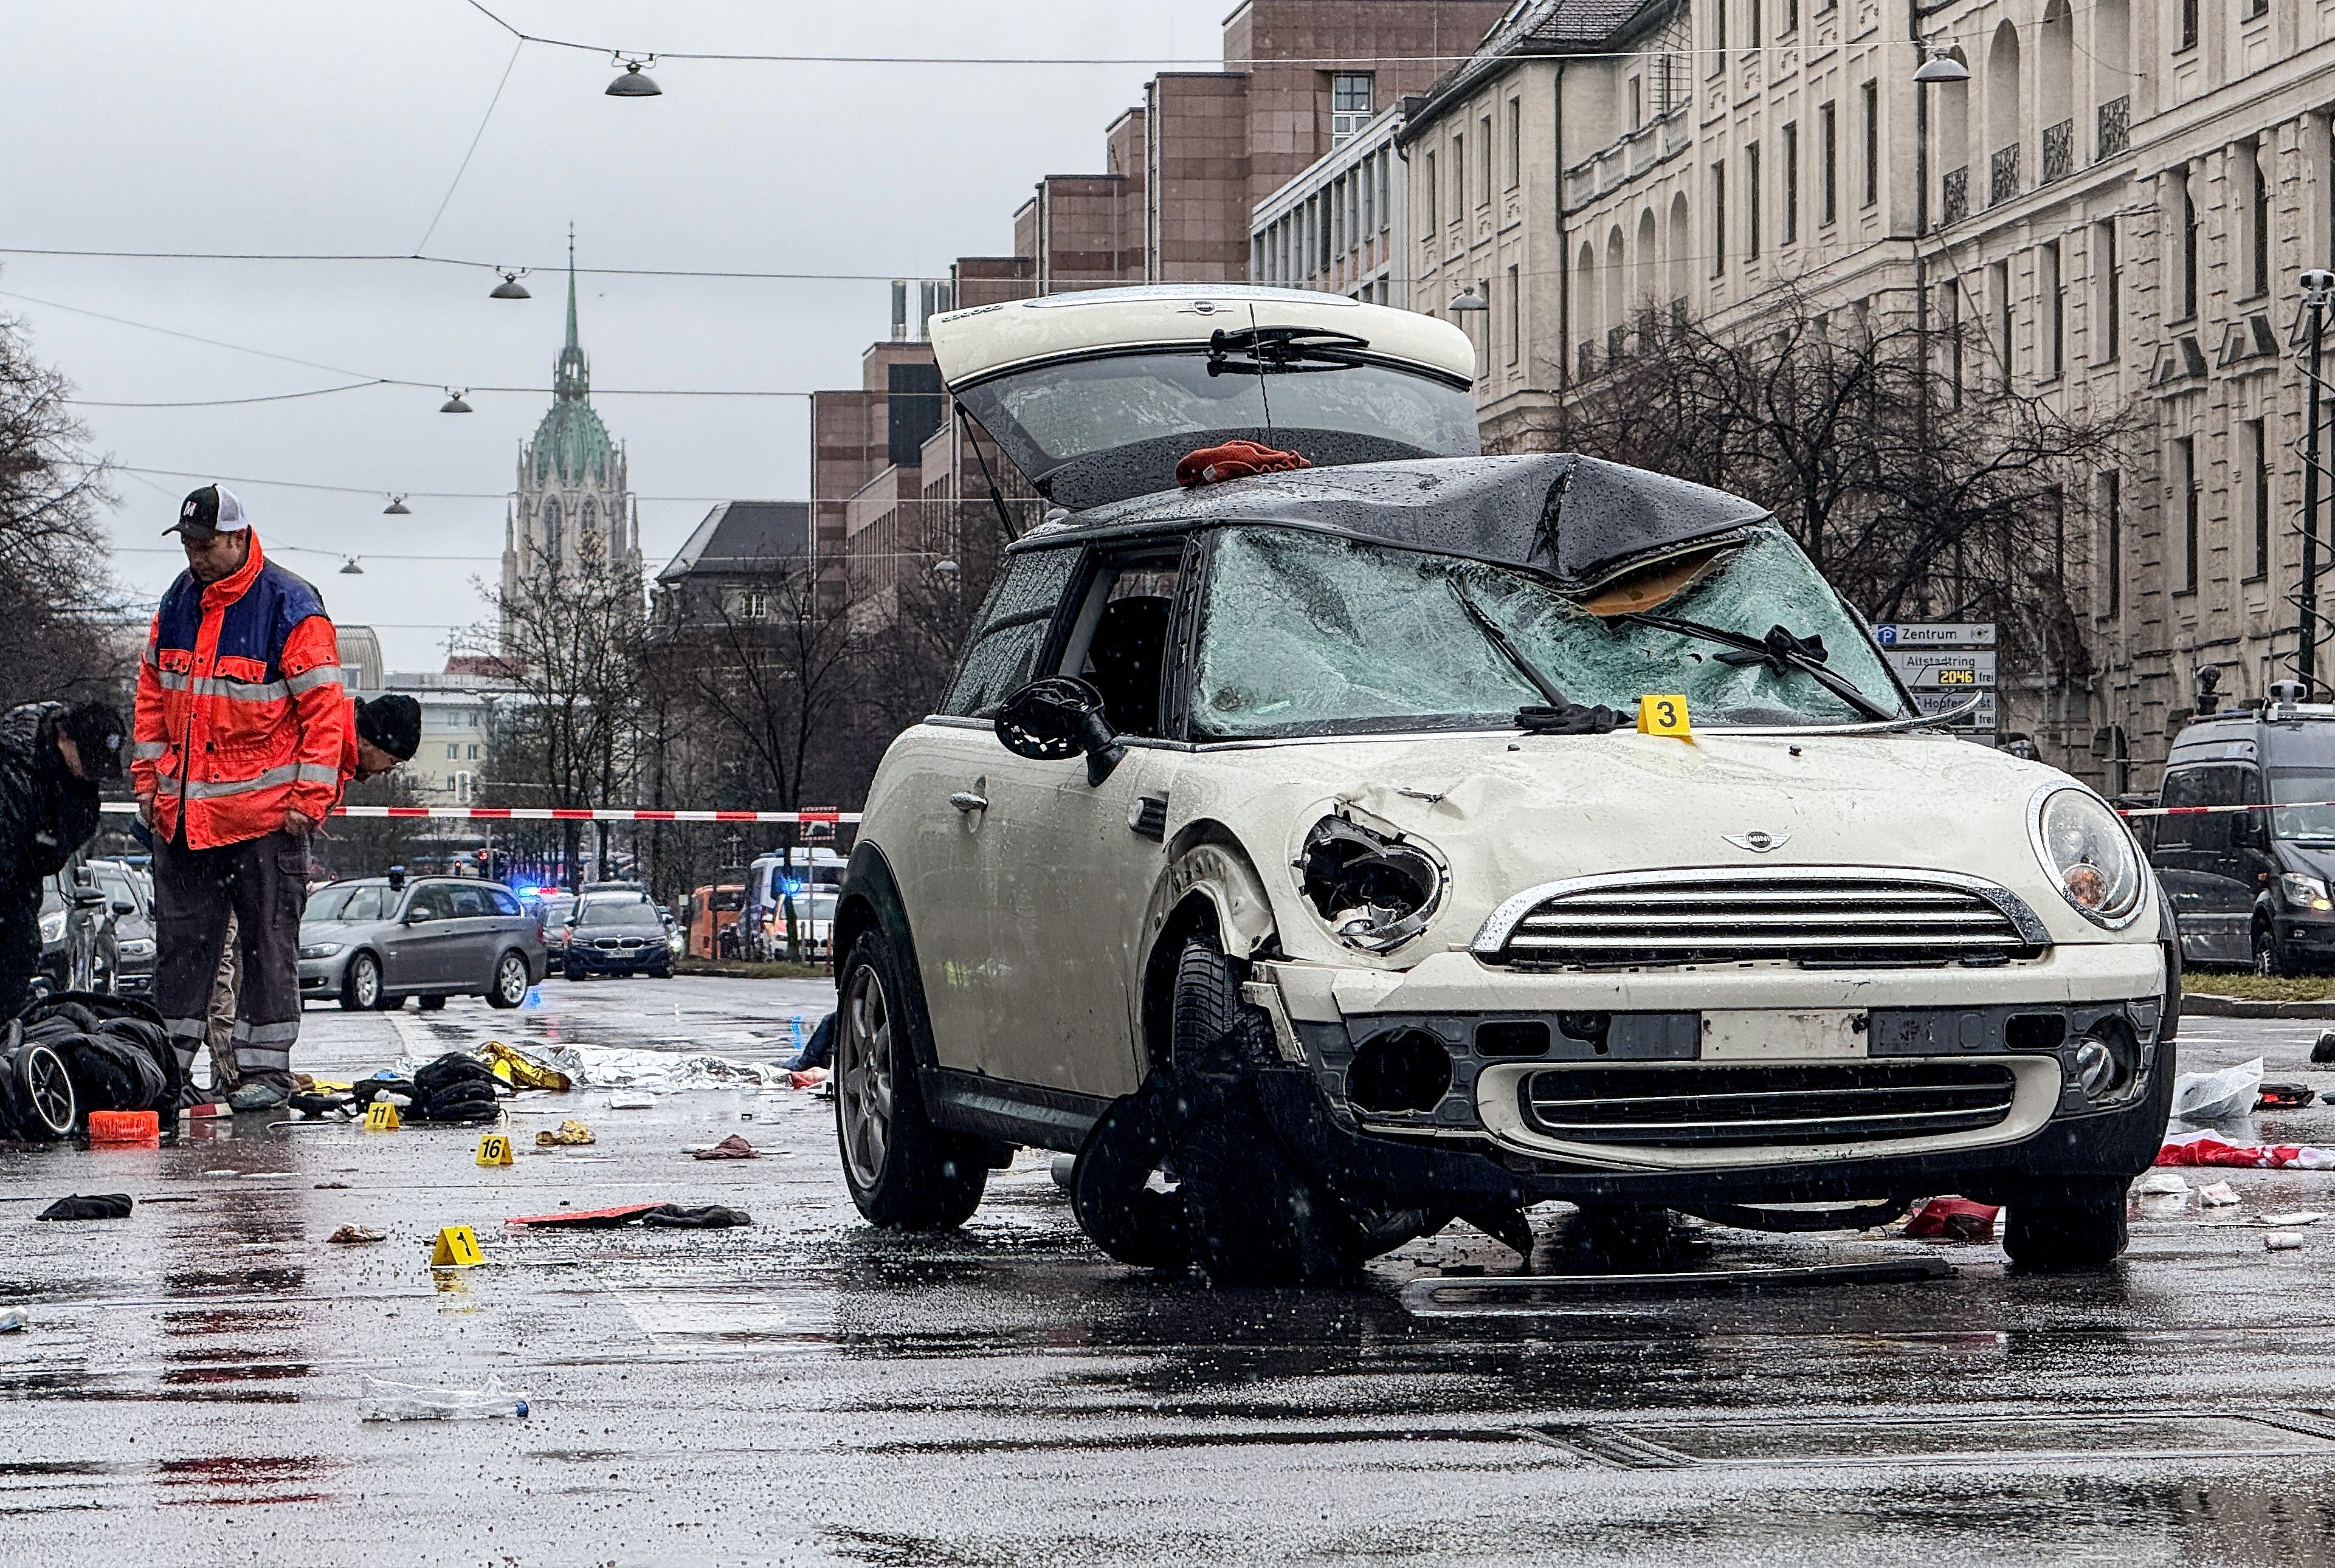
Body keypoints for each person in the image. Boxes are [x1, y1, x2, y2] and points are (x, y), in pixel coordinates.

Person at [133, 484, 350, 1112]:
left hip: (263, 822)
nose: (196, 556)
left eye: (204, 545)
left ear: (236, 538)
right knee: (183, 951)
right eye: (190, 545)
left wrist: (308, 802)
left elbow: (324, 714)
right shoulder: (179, 602)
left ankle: (264, 1074)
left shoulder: (289, 606)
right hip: (186, 821)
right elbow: (152, 700)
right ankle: (168, 1072)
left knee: (266, 946)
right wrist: (148, 787)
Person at [0, 701, 123, 1017]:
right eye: (88, 762)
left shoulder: (73, 784)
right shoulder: (15, 769)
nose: (91, 776)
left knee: (19, 954)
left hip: (20, 889)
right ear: (65, 738)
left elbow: (55, 853)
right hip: (10, 884)